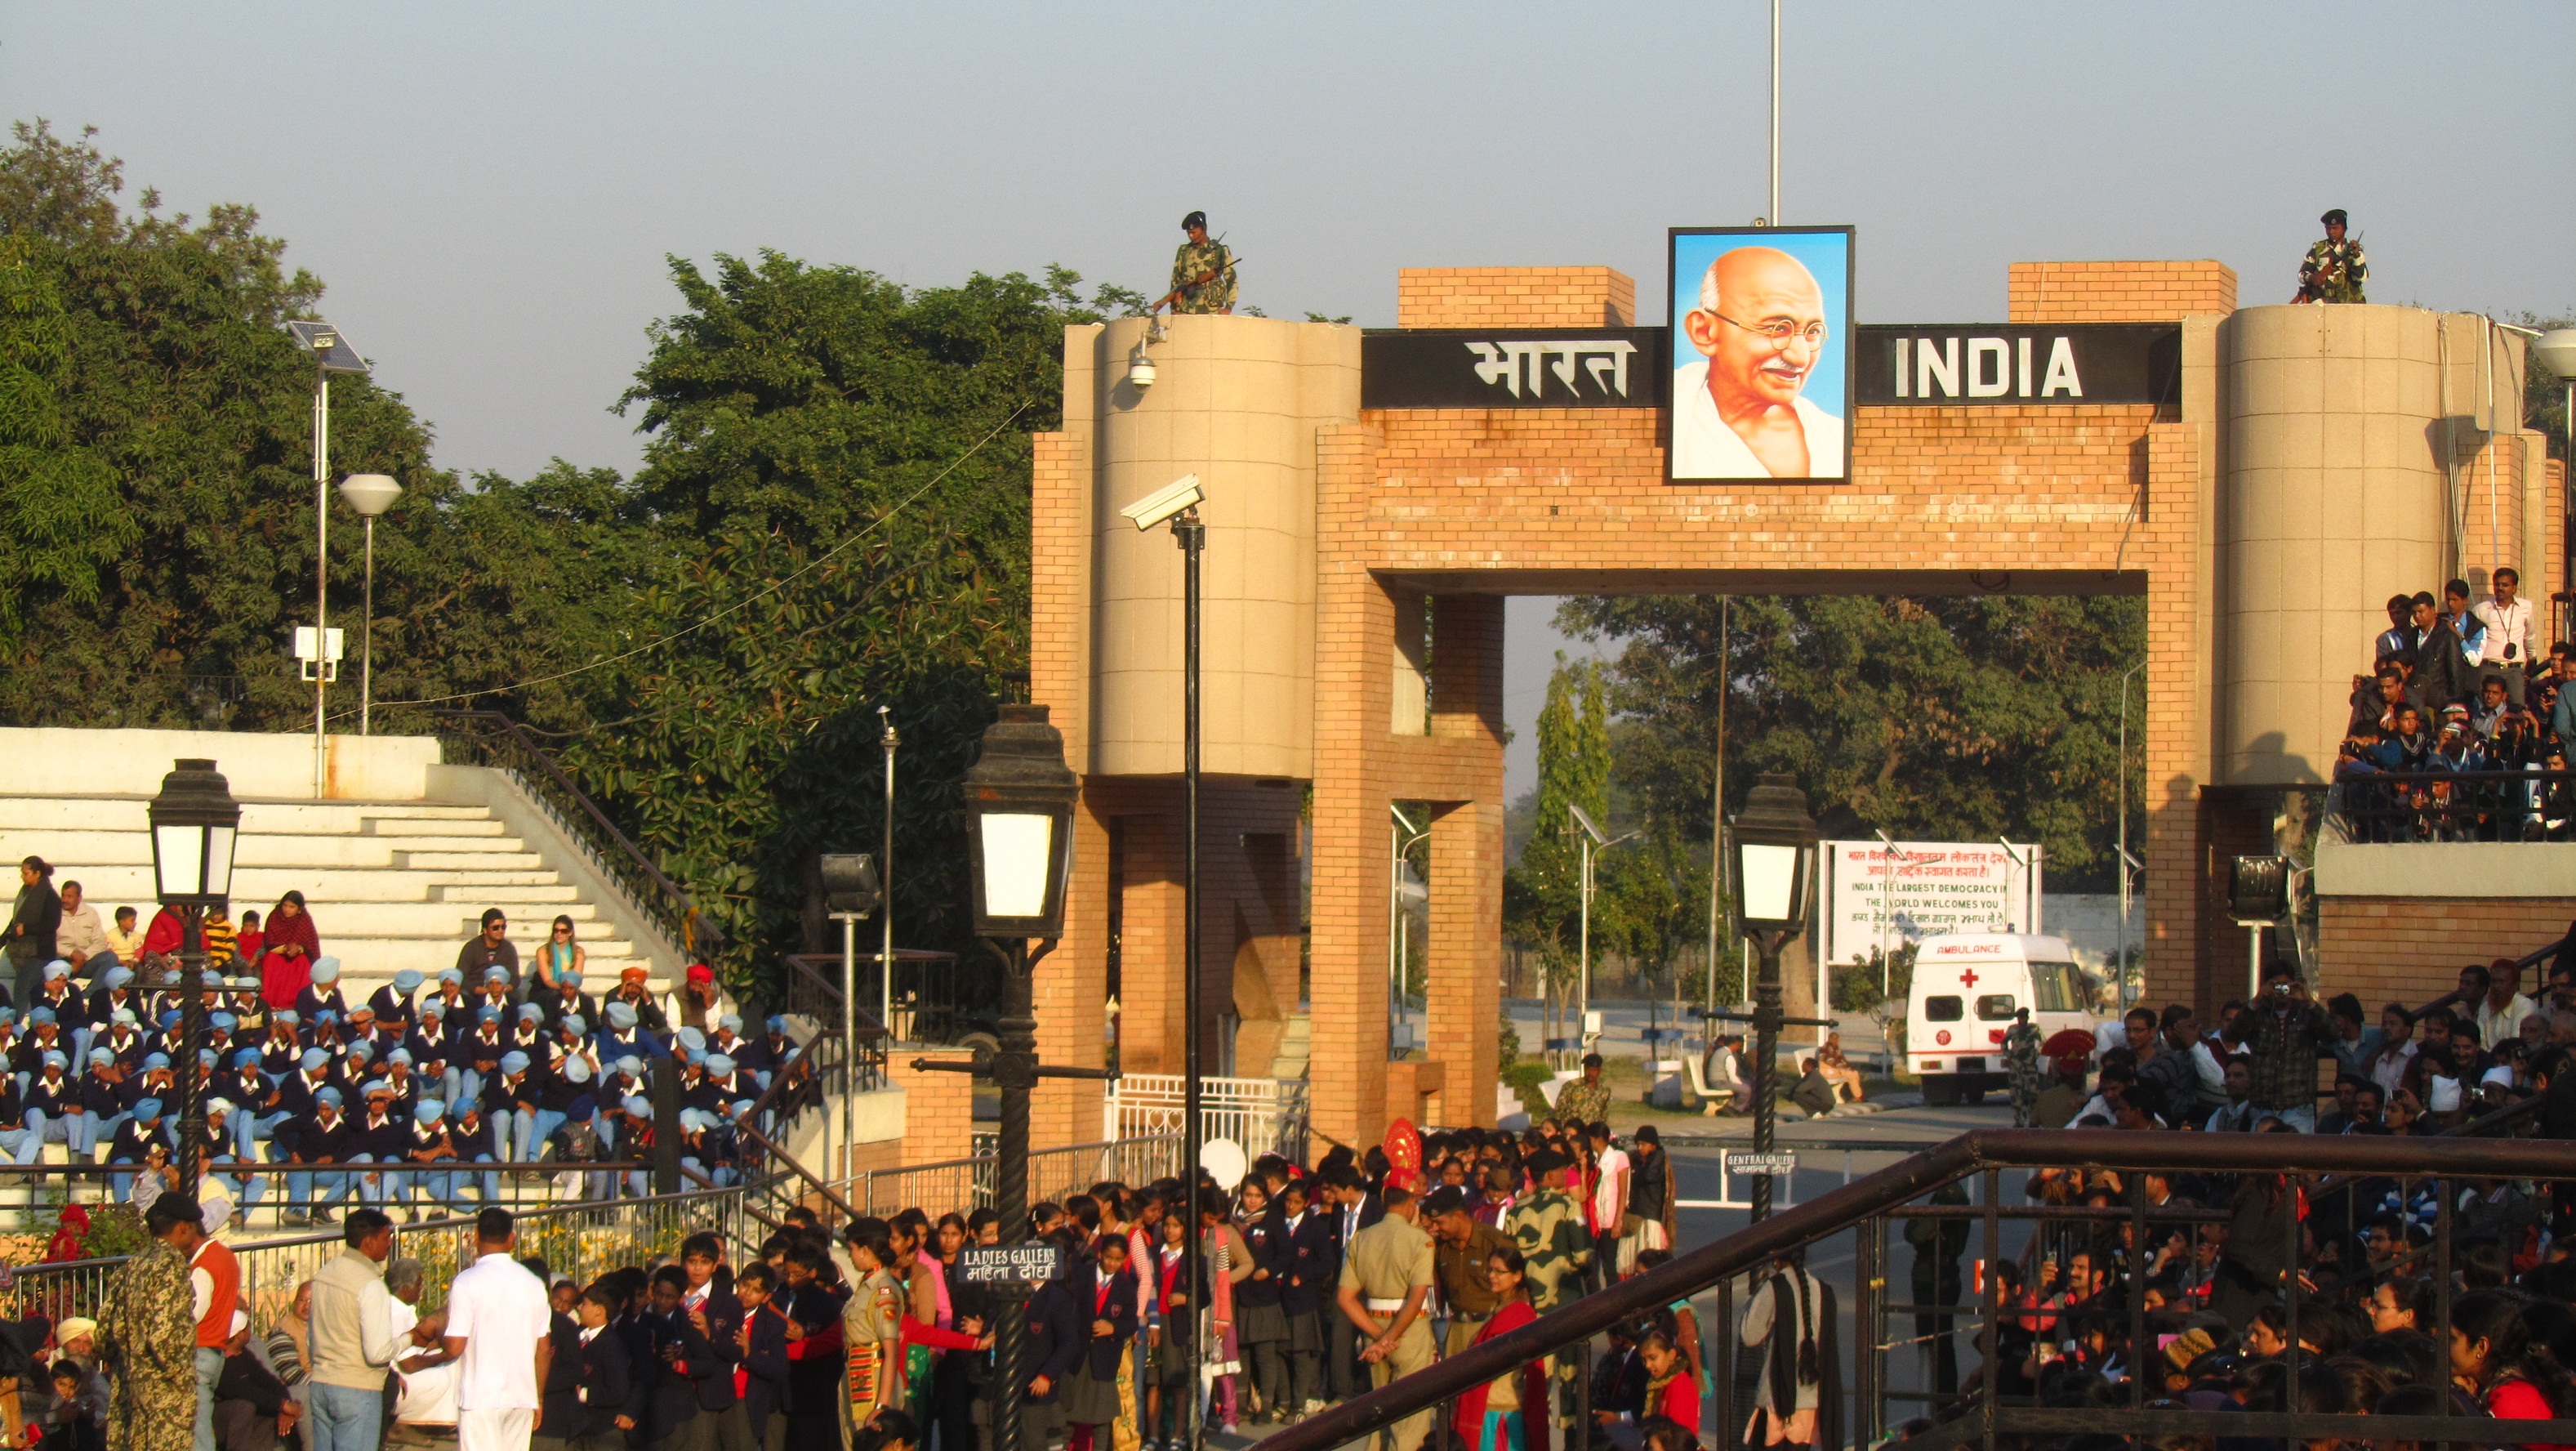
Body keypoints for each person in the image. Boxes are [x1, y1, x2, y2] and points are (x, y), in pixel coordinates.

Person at [1672, 245, 1843, 480]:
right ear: (1704, 331)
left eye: (1813, 332)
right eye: (1777, 328)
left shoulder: (1834, 439)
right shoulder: (1670, 411)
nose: (1800, 357)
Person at [92, 1191, 199, 1451]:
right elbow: (163, 1334)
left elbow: (105, 1328)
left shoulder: (132, 1266)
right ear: (183, 1228)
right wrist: (179, 1376)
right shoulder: (170, 1267)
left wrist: (123, 1363)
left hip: (129, 1384)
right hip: (164, 1392)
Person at [439, 1209, 554, 1451]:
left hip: (481, 1398)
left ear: (475, 1236)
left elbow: (455, 1346)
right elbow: (543, 1350)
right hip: (522, 1397)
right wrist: (539, 1399)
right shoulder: (534, 1283)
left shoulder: (467, 1281)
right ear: (512, 1239)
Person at [1335, 1185, 1435, 1451]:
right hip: (1409, 1329)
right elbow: (1416, 1299)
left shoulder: (1362, 1237)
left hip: (1373, 1326)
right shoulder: (1420, 1238)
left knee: (1380, 1408)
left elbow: (1345, 1298)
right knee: (1411, 1414)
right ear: (1412, 1202)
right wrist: (1391, 1338)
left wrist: (1379, 1338)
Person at [306, 1209, 397, 1451]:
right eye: (386, 1238)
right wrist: (408, 1340)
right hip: (357, 1388)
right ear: (369, 1241)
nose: (390, 1244)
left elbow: (311, 1336)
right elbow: (378, 1353)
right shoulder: (370, 1284)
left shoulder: (324, 1274)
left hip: (321, 1383)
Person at [1738, 1251, 1839, 1451]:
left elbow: (1750, 1336)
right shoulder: (1823, 1290)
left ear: (1777, 1261)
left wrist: (1752, 1302)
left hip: (1776, 1399)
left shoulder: (1775, 1287)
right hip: (1811, 1400)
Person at [1449, 1248, 1543, 1451]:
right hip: (1495, 1407)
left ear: (1517, 1276)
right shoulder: (1504, 1307)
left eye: (1499, 1272)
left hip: (1501, 1411)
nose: (1492, 1276)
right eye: (1490, 1270)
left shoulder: (1517, 1313)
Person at [8, 857, 62, 1009]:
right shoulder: (25, 893)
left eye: (26, 873)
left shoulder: (50, 896)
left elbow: (52, 924)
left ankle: (15, 1027)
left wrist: (26, 929)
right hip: (24, 952)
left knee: (22, 989)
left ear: (37, 873)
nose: (22, 876)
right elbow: (16, 921)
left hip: (40, 952)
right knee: (33, 991)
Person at [256, 896, 319, 1013]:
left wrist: (298, 949)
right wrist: (286, 949)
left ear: (299, 910)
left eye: (292, 907)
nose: (287, 910)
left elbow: (310, 947)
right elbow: (270, 944)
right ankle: (270, 1002)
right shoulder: (275, 917)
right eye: (285, 905)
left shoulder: (304, 920)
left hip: (297, 955)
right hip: (278, 952)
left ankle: (294, 1003)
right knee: (271, 959)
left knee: (303, 961)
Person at [1165, 212, 1235, 316]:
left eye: (1194, 232)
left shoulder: (1220, 250)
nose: (1191, 236)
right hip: (1186, 310)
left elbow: (1232, 279)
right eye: (1188, 233)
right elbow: (1175, 281)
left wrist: (1228, 307)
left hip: (1212, 310)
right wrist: (1174, 308)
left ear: (1204, 229)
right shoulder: (1184, 251)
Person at [2295, 208, 2366, 303]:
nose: (2331, 232)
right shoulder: (2318, 249)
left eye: (2335, 228)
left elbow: (2361, 277)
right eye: (2328, 228)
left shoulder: (2354, 251)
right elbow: (2301, 274)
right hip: (2323, 303)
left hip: (2348, 305)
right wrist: (2312, 277)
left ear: (2344, 228)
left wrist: (2356, 255)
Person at [2003, 1008, 2044, 1127]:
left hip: (2030, 1065)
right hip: (2016, 1066)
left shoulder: (2034, 1029)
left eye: (2023, 1018)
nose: (2021, 1020)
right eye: (2020, 1018)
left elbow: (2042, 1043)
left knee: (2033, 1094)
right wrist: (2009, 1055)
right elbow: (2003, 1043)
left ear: (2027, 1017)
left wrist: (2035, 1055)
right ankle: (2019, 1120)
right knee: (2016, 1094)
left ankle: (2033, 1119)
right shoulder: (2013, 1029)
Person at [456, 913, 519, 989]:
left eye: (503, 927)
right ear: (485, 930)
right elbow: (461, 975)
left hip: (501, 989)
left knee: (515, 996)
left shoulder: (508, 948)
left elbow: (515, 977)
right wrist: (476, 989)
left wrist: (506, 989)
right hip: (475, 991)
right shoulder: (471, 947)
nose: (500, 931)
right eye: (496, 928)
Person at [1551, 1055, 1611, 1131]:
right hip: (1572, 1132)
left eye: (1594, 1070)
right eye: (1588, 1069)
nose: (1590, 1073)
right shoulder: (1571, 1086)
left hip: (1591, 1133)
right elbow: (1559, 1111)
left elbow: (1604, 1116)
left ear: (1599, 1071)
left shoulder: (1604, 1091)